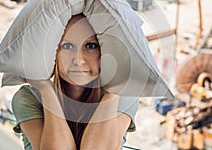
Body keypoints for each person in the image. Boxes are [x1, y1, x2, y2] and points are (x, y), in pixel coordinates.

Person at [12, 13, 139, 150]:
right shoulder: (28, 97)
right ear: (52, 53)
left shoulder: (123, 94)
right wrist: (46, 89)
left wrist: (113, 89)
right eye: (67, 46)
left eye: (90, 46)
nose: (78, 60)